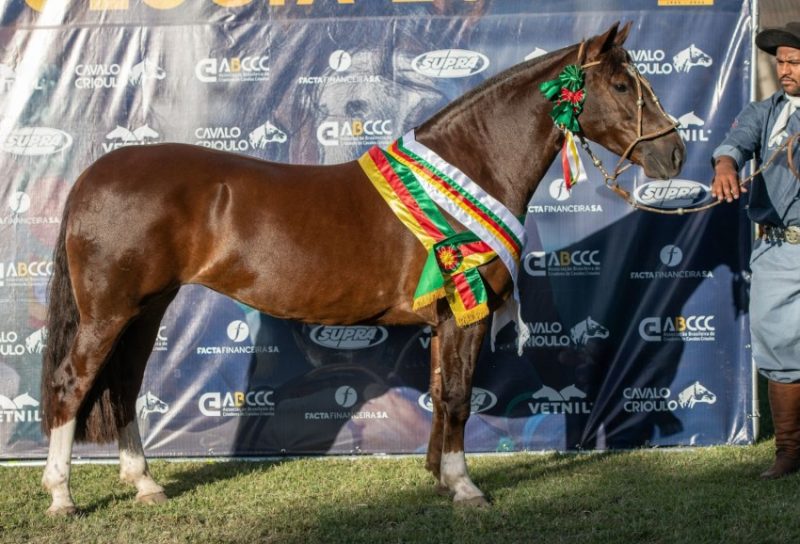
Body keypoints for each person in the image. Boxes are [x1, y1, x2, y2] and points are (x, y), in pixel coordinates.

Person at [711, 21, 800, 479]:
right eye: (781, 60)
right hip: (778, 251)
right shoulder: (763, 112)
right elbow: (735, 144)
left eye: (795, 61)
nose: (785, 69)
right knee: (780, 347)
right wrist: (726, 164)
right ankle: (788, 451)